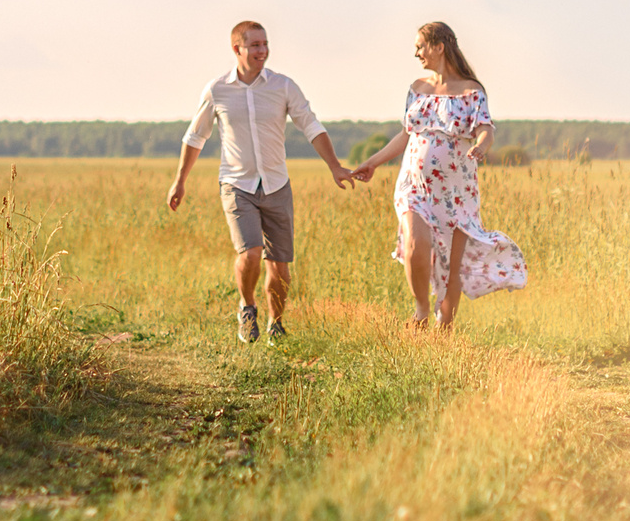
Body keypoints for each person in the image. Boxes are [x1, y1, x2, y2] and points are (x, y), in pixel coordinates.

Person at [168, 20, 354, 344]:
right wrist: (180, 181)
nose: (262, 51)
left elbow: (310, 125)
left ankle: (276, 325)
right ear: (236, 49)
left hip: (276, 185)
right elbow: (195, 136)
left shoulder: (283, 86)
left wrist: (335, 166)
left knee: (280, 269)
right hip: (237, 184)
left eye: (265, 44)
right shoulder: (217, 90)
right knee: (251, 253)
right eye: (255, 45)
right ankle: (247, 307)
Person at [350, 20, 527, 330]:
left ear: (438, 47)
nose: (416, 52)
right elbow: (406, 134)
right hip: (413, 184)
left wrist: (482, 147)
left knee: (451, 266)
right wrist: (374, 162)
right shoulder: (417, 90)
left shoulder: (472, 90)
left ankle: (445, 328)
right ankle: (420, 311)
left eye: (420, 46)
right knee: (416, 244)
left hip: (456, 190)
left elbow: (486, 128)